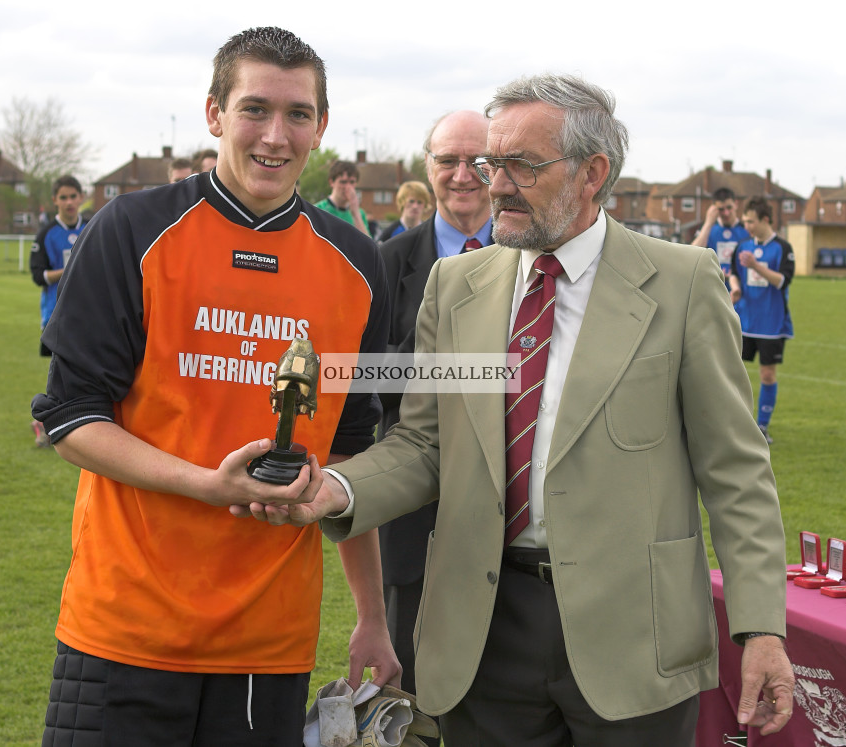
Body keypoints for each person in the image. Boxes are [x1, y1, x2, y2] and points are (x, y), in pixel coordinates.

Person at [239, 73, 793, 746]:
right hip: (483, 634)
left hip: (635, 640)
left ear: (593, 172)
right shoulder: (456, 284)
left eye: (520, 166)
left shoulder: (682, 284)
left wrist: (761, 628)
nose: (494, 184)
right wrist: (336, 487)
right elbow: (423, 444)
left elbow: (737, 471)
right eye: (492, 163)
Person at [30, 26, 398, 745]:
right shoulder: (131, 229)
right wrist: (208, 484)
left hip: (269, 643)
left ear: (321, 127)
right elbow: (71, 417)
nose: (275, 135)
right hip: (124, 628)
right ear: (213, 114)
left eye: (298, 114)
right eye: (254, 108)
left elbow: (351, 451)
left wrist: (374, 616)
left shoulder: (357, 263)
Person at [376, 109, 492, 700]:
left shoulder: (538, 256)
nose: (463, 174)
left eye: (478, 160)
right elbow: (365, 376)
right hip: (416, 483)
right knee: (409, 654)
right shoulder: (388, 262)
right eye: (448, 160)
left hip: (509, 486)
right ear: (429, 168)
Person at [728, 196, 795, 445]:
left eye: (751, 221)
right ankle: (736, 424)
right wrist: (734, 288)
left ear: (765, 220)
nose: (747, 226)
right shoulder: (742, 245)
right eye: (745, 221)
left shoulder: (783, 248)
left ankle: (762, 427)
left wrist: (756, 266)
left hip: (772, 324)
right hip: (744, 320)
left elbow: (782, 281)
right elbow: (734, 273)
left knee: (767, 375)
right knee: (734, 373)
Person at [28, 175, 85, 448]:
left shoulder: (93, 225)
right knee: (58, 370)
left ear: (81, 197)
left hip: (90, 309)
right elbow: (38, 276)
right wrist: (69, 270)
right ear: (55, 201)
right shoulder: (47, 233)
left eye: (73, 196)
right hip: (56, 311)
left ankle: (83, 422)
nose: (69, 202)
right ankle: (43, 423)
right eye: (63, 197)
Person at [691, 186, 750, 277]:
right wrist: (708, 223)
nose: (726, 213)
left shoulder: (746, 229)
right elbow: (692, 253)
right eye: (721, 209)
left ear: (736, 204)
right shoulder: (708, 228)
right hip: (713, 285)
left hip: (739, 287)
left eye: (729, 207)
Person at [315, 160, 371, 236]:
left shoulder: (360, 213)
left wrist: (356, 214)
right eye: (343, 182)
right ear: (332, 182)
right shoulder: (317, 210)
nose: (348, 187)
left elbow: (368, 245)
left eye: (352, 182)